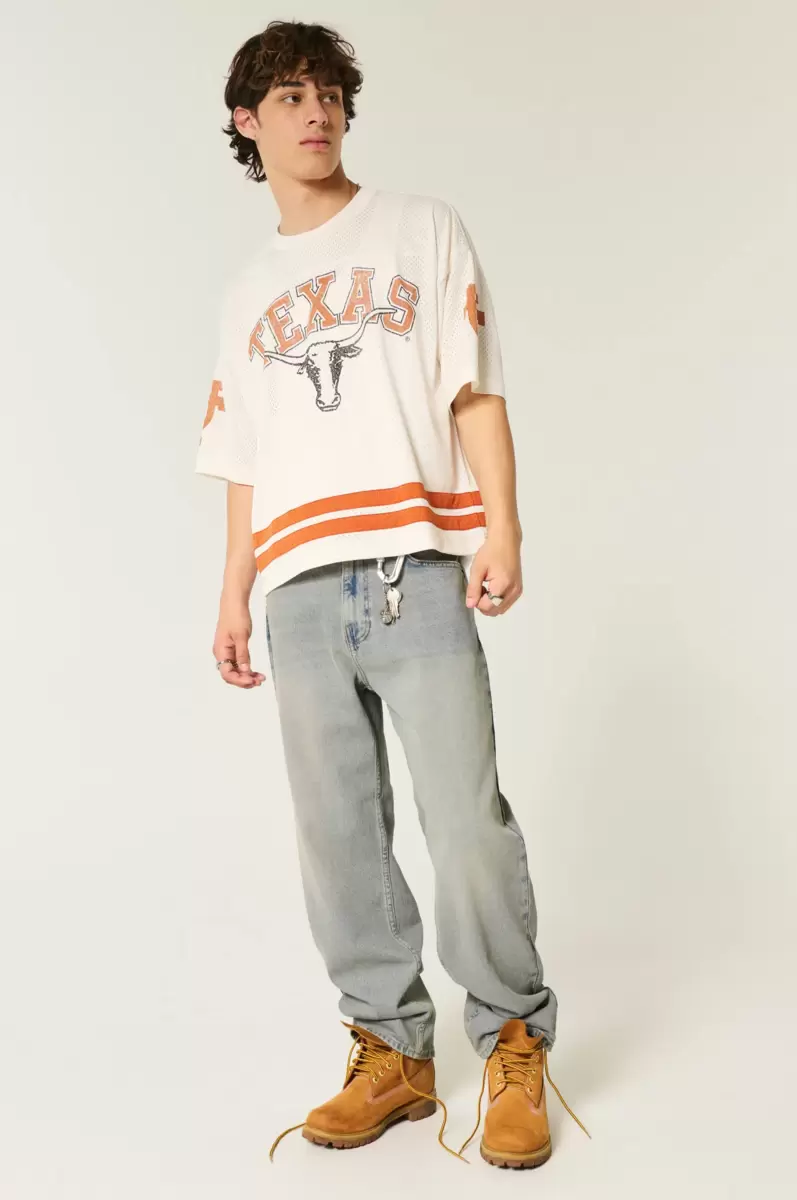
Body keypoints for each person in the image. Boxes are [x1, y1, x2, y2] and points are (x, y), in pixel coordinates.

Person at [194, 19, 590, 1169]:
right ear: (248, 122)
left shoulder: (422, 229)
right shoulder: (246, 291)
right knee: (337, 838)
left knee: (466, 824)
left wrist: (503, 526)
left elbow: (474, 390)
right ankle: (393, 1054)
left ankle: (514, 1040)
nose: (316, 111)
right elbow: (244, 454)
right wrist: (233, 591)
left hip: (413, 568)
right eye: (289, 95)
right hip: (296, 588)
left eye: (330, 93)